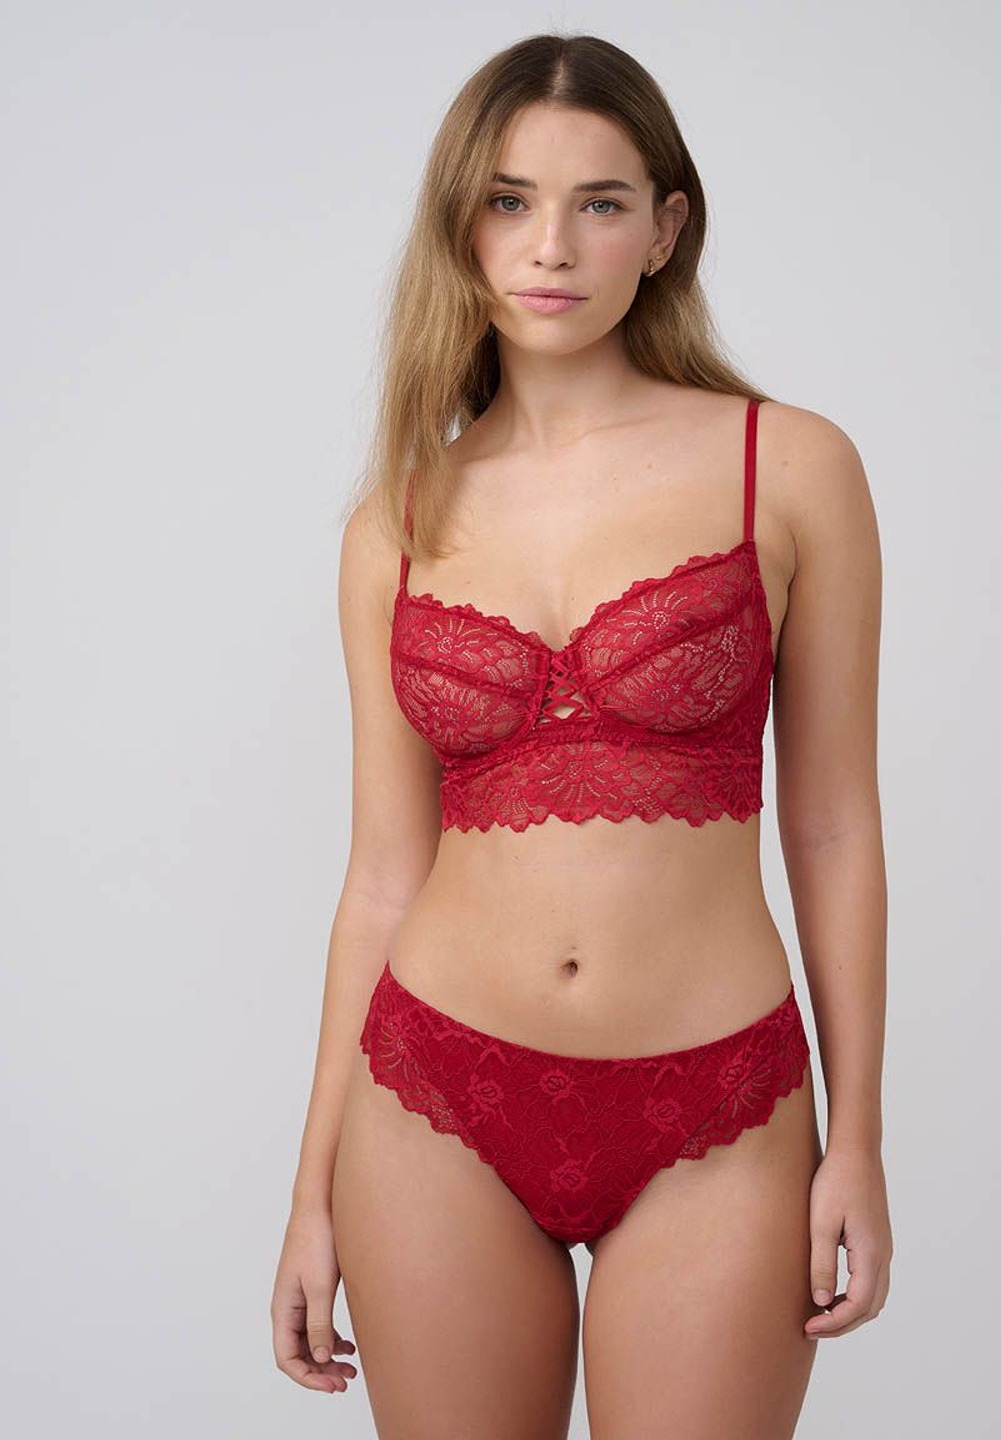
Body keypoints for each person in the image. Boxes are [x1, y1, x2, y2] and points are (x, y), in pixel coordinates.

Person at [270, 30, 892, 1438]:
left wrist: (858, 1136)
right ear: (462, 226)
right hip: (431, 1098)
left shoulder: (788, 466)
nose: (550, 245)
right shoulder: (394, 524)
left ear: (665, 230)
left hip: (718, 1106)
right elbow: (381, 876)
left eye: (599, 202)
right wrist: (309, 1193)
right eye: (510, 200)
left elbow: (834, 825)